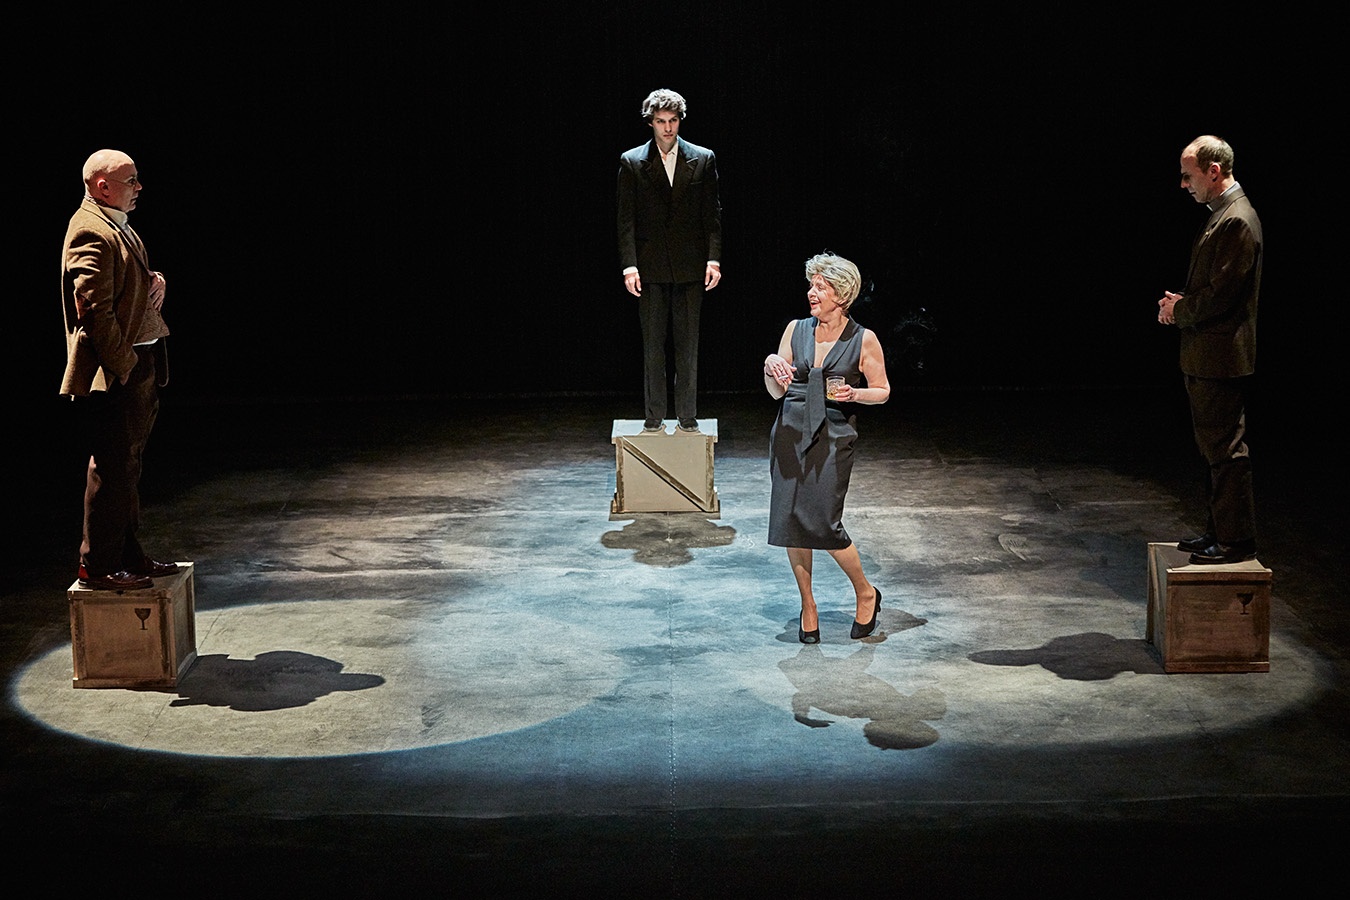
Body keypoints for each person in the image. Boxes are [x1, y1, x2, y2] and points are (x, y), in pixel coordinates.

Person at [60, 149, 178, 590]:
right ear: (102, 186)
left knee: (127, 467)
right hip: (115, 372)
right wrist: (124, 366)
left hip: (137, 365)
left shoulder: (115, 223)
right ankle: (97, 566)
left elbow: (123, 280)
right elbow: (94, 312)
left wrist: (153, 279)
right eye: (131, 180)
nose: (138, 187)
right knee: (111, 468)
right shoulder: (89, 230)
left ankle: (127, 555)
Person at [764, 253, 890, 642]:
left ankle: (865, 592)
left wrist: (855, 394)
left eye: (821, 286)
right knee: (791, 524)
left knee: (824, 524)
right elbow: (776, 391)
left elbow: (883, 391)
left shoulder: (863, 339)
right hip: (789, 431)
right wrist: (771, 366)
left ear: (843, 294)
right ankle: (808, 605)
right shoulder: (795, 330)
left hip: (833, 435)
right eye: (811, 285)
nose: (811, 292)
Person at [1157, 135, 1262, 565]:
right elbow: (1213, 287)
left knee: (1226, 451)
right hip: (1208, 356)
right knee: (1214, 450)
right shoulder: (1221, 215)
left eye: (1189, 176)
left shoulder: (1237, 220)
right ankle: (1219, 531)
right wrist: (1182, 302)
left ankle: (1236, 540)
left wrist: (1179, 311)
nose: (1184, 185)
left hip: (1220, 359)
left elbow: (1223, 296)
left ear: (1213, 172)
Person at [617, 88, 722, 433]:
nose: (667, 128)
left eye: (673, 121)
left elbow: (712, 215)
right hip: (649, 267)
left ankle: (688, 416)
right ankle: (654, 416)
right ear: (651, 122)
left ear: (680, 121)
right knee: (653, 347)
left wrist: (713, 259)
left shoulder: (702, 158)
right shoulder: (632, 161)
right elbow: (626, 219)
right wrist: (629, 265)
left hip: (690, 265)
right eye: (661, 121)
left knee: (688, 346)